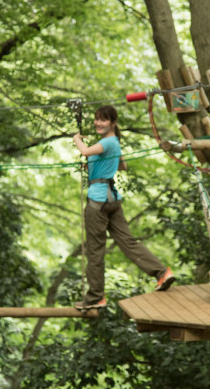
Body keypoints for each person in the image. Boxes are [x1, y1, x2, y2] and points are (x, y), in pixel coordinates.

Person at [73, 105, 175, 309]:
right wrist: (95, 165)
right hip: (112, 200)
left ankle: (95, 297)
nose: (98, 123)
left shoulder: (107, 142)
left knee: (95, 251)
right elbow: (122, 165)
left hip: (98, 201)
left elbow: (84, 151)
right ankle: (162, 273)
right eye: (97, 119)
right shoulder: (114, 143)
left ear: (112, 123)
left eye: (103, 120)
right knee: (127, 242)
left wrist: (76, 138)